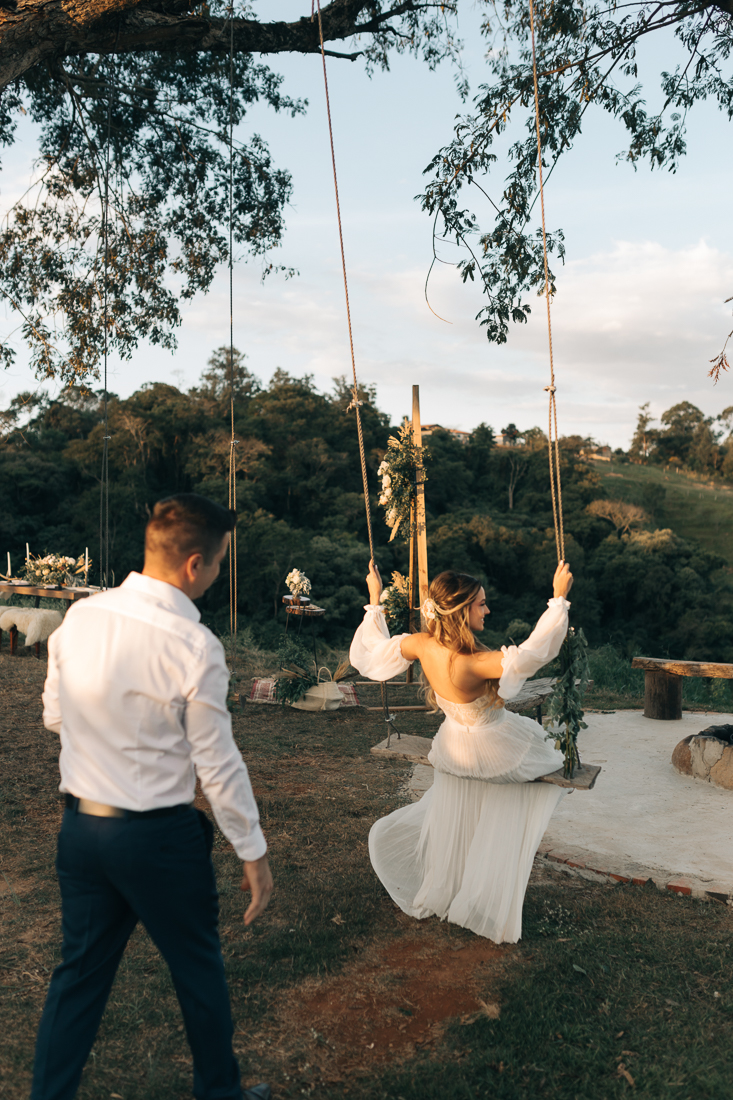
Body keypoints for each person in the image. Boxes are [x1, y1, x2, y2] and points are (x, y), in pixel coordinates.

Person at [32, 494, 272, 1100]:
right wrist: (253, 851)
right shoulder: (195, 645)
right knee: (197, 971)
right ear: (195, 565)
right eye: (218, 565)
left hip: (81, 831)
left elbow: (56, 716)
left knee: (77, 979)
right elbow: (216, 763)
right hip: (157, 840)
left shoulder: (80, 618)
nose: (216, 576)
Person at [349, 559, 574, 944]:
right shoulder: (472, 663)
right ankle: (487, 885)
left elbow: (371, 654)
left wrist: (375, 599)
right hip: (492, 747)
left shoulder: (421, 644)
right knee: (546, 767)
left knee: (468, 803)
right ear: (460, 611)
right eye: (481, 604)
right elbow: (532, 655)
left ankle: (458, 883)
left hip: (454, 744)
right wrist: (558, 601)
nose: (488, 610)